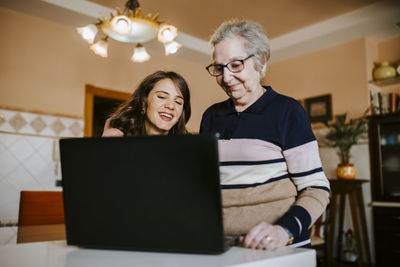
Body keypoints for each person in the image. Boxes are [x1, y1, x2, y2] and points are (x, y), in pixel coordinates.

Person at [200, 20, 330, 250]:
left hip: (277, 246)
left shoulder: (287, 111)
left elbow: (316, 188)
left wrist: (284, 231)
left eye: (236, 65)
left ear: (261, 60)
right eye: (219, 68)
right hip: (219, 246)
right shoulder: (212, 116)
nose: (226, 78)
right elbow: (203, 186)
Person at [102, 71, 191, 137]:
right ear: (144, 101)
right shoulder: (117, 136)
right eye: (162, 97)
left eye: (178, 102)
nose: (171, 106)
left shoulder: (189, 149)